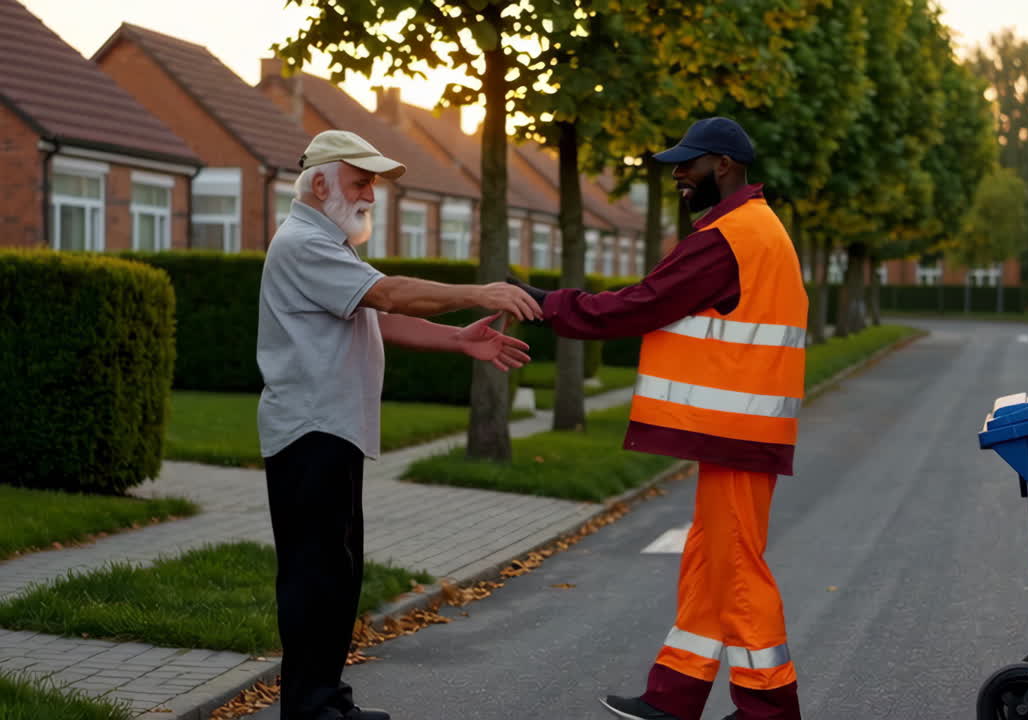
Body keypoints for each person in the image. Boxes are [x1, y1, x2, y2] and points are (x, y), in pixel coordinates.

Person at [509, 117, 808, 720]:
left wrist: (548, 306)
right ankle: (674, 694)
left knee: (737, 567)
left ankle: (770, 711)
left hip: (737, 431)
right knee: (709, 555)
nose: (677, 174)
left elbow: (646, 302)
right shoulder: (754, 228)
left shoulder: (731, 237)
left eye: (688, 163)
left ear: (722, 165)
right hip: (741, 430)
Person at [258, 129, 540, 720]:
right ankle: (310, 709)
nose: (369, 196)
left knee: (337, 575)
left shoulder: (329, 247)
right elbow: (392, 295)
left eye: (372, 186)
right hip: (310, 434)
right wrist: (479, 292)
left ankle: (327, 700)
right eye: (361, 183)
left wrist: (460, 340)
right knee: (316, 578)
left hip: (330, 432)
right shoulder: (304, 244)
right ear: (319, 182)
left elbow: (372, 316)